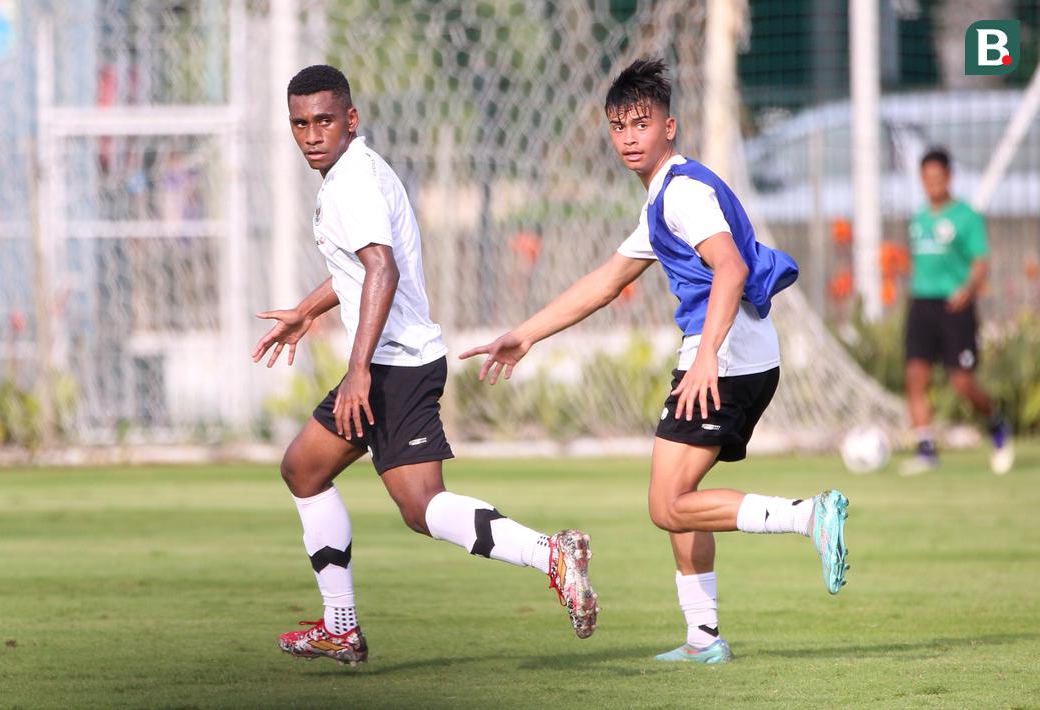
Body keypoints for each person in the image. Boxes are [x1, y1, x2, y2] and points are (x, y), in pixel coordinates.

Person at [460, 59, 848, 665]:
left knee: (666, 504)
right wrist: (525, 335)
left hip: (725, 356)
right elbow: (606, 281)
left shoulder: (684, 194)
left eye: (641, 123)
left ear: (671, 125)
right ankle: (703, 638)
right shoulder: (663, 198)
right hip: (739, 353)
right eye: (618, 126)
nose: (629, 138)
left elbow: (732, 269)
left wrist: (706, 360)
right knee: (679, 497)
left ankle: (809, 517)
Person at [252, 65, 598, 666]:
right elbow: (358, 273)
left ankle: (550, 554)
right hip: (395, 361)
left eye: (324, 121)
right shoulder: (351, 173)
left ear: (350, 120)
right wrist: (307, 312)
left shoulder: (352, 182)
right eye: (300, 124)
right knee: (313, 472)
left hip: (392, 364)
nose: (311, 134)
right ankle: (342, 628)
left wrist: (359, 370)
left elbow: (382, 270)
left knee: (411, 503)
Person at [902, 147, 1012, 475]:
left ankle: (996, 421)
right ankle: (925, 450)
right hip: (922, 304)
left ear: (949, 177)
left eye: (938, 176)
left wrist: (968, 288)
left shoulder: (966, 217)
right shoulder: (919, 219)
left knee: (962, 382)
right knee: (915, 376)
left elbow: (980, 261)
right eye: (926, 177)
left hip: (955, 306)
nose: (932, 183)